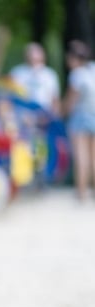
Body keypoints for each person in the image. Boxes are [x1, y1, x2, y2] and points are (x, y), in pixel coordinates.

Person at [63, 40, 95, 201]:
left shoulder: (77, 75)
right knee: (94, 156)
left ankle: (81, 191)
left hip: (81, 117)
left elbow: (71, 102)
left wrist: (63, 112)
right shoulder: (93, 70)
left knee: (81, 156)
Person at [9, 42, 61, 114]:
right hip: (21, 112)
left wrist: (54, 115)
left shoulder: (49, 74)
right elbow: (10, 95)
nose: (33, 58)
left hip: (43, 114)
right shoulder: (17, 72)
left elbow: (54, 98)